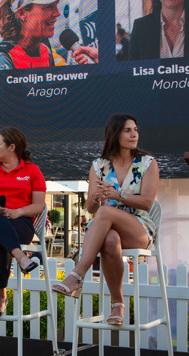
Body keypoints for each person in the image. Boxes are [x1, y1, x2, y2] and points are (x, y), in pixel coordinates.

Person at [51, 114, 159, 327]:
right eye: (128, 130)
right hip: (106, 227)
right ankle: (118, 304)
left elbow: (147, 203)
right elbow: (91, 208)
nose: (134, 134)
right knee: (109, 239)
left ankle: (77, 275)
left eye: (135, 129)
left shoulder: (148, 163)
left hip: (138, 228)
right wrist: (96, 196)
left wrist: (117, 196)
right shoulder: (98, 165)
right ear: (115, 134)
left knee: (106, 213)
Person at [0, 127, 46, 317]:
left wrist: (17, 211)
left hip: (19, 223)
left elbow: (38, 205)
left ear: (12, 147)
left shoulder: (32, 171)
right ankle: (21, 257)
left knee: (0, 237)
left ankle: (0, 294)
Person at [0, 0, 95, 69]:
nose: (57, 13)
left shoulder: (45, 52)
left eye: (56, 4)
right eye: (48, 7)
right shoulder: (2, 57)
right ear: (22, 13)